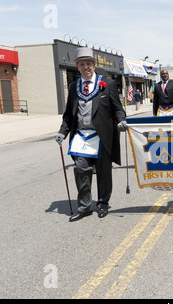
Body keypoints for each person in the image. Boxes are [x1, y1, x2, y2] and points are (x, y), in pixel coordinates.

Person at [54, 47, 127, 222]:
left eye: (88, 63)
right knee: (81, 169)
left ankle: (102, 203)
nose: (85, 67)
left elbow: (118, 109)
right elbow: (69, 114)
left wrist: (121, 120)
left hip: (102, 135)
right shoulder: (74, 87)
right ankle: (85, 206)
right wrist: (62, 132)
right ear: (77, 67)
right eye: (81, 64)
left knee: (103, 172)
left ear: (94, 65)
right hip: (81, 136)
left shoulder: (107, 84)